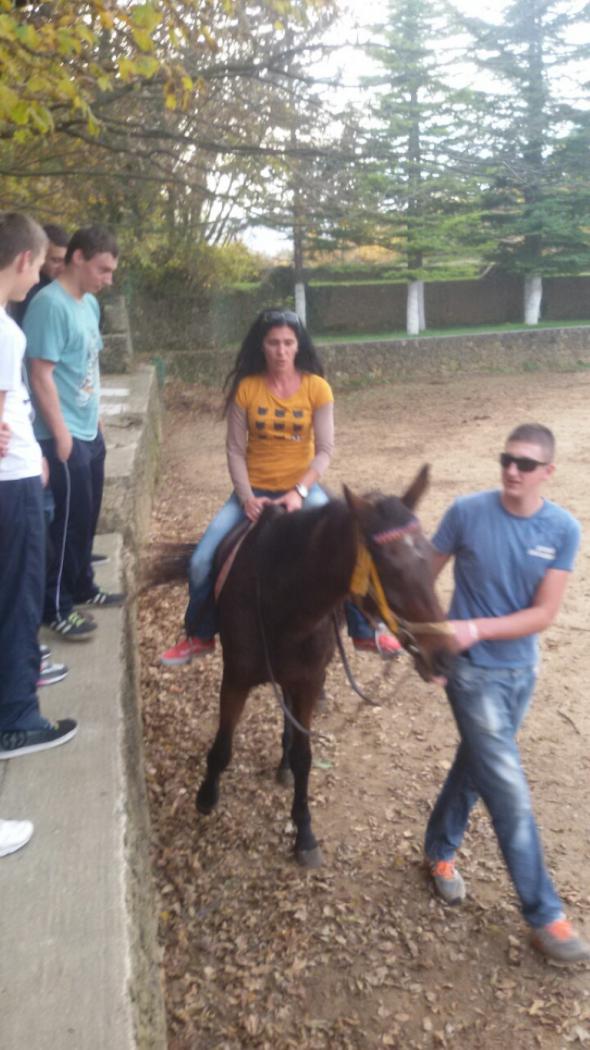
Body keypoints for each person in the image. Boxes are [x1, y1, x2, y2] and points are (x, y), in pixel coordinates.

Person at [425, 423, 590, 965]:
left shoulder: (562, 528)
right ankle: (545, 916)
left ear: (548, 471)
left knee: (477, 767)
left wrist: (476, 627)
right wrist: (433, 644)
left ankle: (438, 849)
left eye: (525, 463)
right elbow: (418, 579)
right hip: (471, 674)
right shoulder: (466, 512)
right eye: (506, 460)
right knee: (508, 790)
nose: (512, 470)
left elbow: (544, 614)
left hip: (522, 673)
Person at [160, 307, 402, 666]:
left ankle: (366, 630)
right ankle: (199, 634)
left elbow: (325, 450)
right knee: (200, 561)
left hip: (302, 490)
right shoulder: (247, 388)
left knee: (351, 546)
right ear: (262, 345)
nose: (281, 351)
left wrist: (299, 492)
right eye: (273, 342)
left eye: (288, 342)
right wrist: (246, 498)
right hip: (252, 491)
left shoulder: (317, 388)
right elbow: (234, 450)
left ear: (298, 345)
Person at [0, 211, 77, 758]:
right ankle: (17, 718)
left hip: (18, 473)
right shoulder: (6, 332)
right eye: (40, 264)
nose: (39, 277)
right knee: (20, 595)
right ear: (24, 258)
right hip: (12, 484)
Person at [25, 225, 124, 641]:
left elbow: (87, 365)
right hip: (60, 435)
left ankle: (83, 585)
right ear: (77, 258)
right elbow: (39, 374)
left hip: (88, 428)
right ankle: (57, 606)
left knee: (86, 517)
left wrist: (96, 416)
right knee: (65, 524)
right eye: (103, 269)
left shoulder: (89, 305)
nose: (108, 280)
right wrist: (61, 433)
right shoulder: (49, 305)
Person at [10, 222, 69, 327]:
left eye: (66, 261)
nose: (62, 268)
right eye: (56, 261)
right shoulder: (26, 289)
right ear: (40, 257)